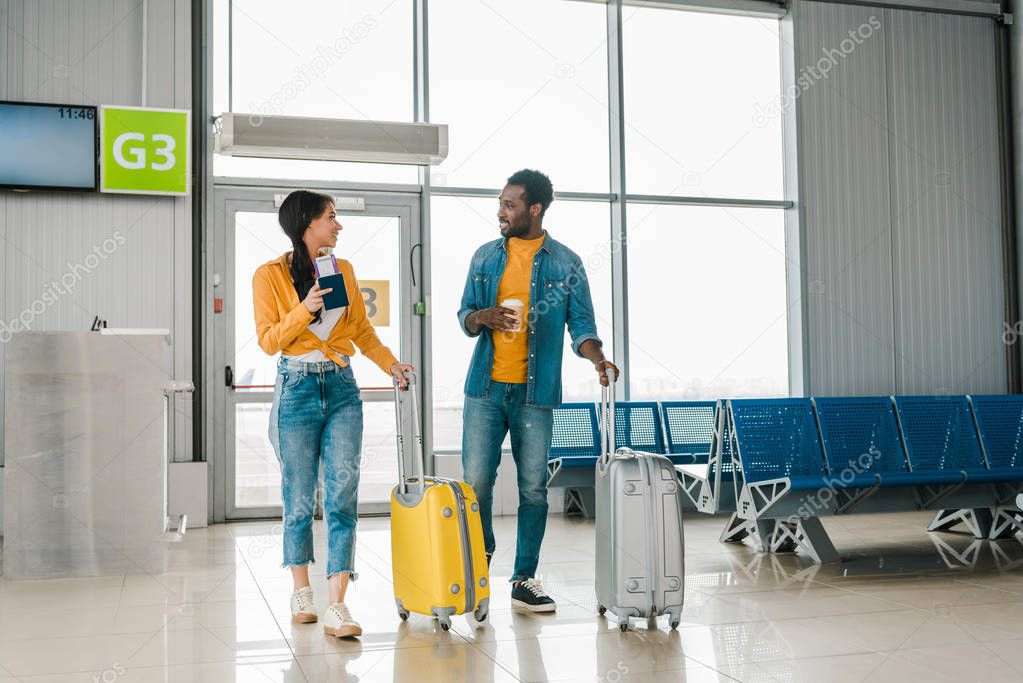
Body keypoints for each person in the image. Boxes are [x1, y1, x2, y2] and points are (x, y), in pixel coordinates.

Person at [253, 189, 413, 638]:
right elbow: (268, 340)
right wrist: (304, 310)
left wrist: (391, 364)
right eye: (331, 217)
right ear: (306, 223)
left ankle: (337, 604)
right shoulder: (268, 276)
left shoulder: (342, 270)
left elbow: (361, 330)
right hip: (296, 388)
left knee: (343, 496)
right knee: (300, 497)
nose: (338, 225)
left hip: (342, 386)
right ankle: (302, 590)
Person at [457, 169, 618, 612]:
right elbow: (464, 315)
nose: (500, 212)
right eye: (500, 203)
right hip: (485, 391)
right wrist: (481, 318)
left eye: (510, 205)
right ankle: (479, 564)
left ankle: (523, 578)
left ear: (535, 209)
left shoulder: (566, 263)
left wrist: (597, 358)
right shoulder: (485, 257)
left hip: (535, 395)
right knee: (476, 485)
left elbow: (581, 326)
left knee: (532, 489)